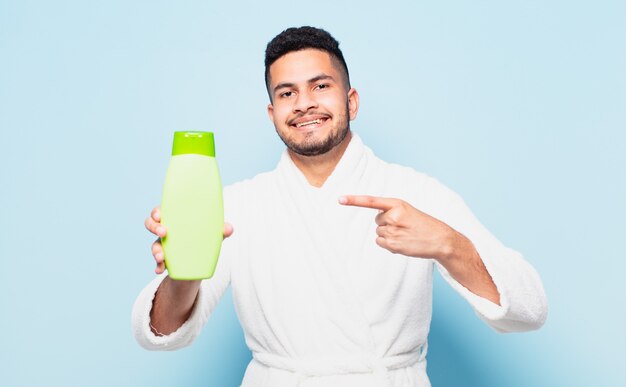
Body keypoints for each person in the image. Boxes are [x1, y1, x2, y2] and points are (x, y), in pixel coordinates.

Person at [133, 26, 548, 387]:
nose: (304, 103)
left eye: (320, 86)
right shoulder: (236, 204)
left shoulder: (416, 192)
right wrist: (185, 267)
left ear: (351, 101)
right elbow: (162, 332)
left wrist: (449, 245)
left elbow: (529, 309)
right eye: (287, 93)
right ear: (272, 112)